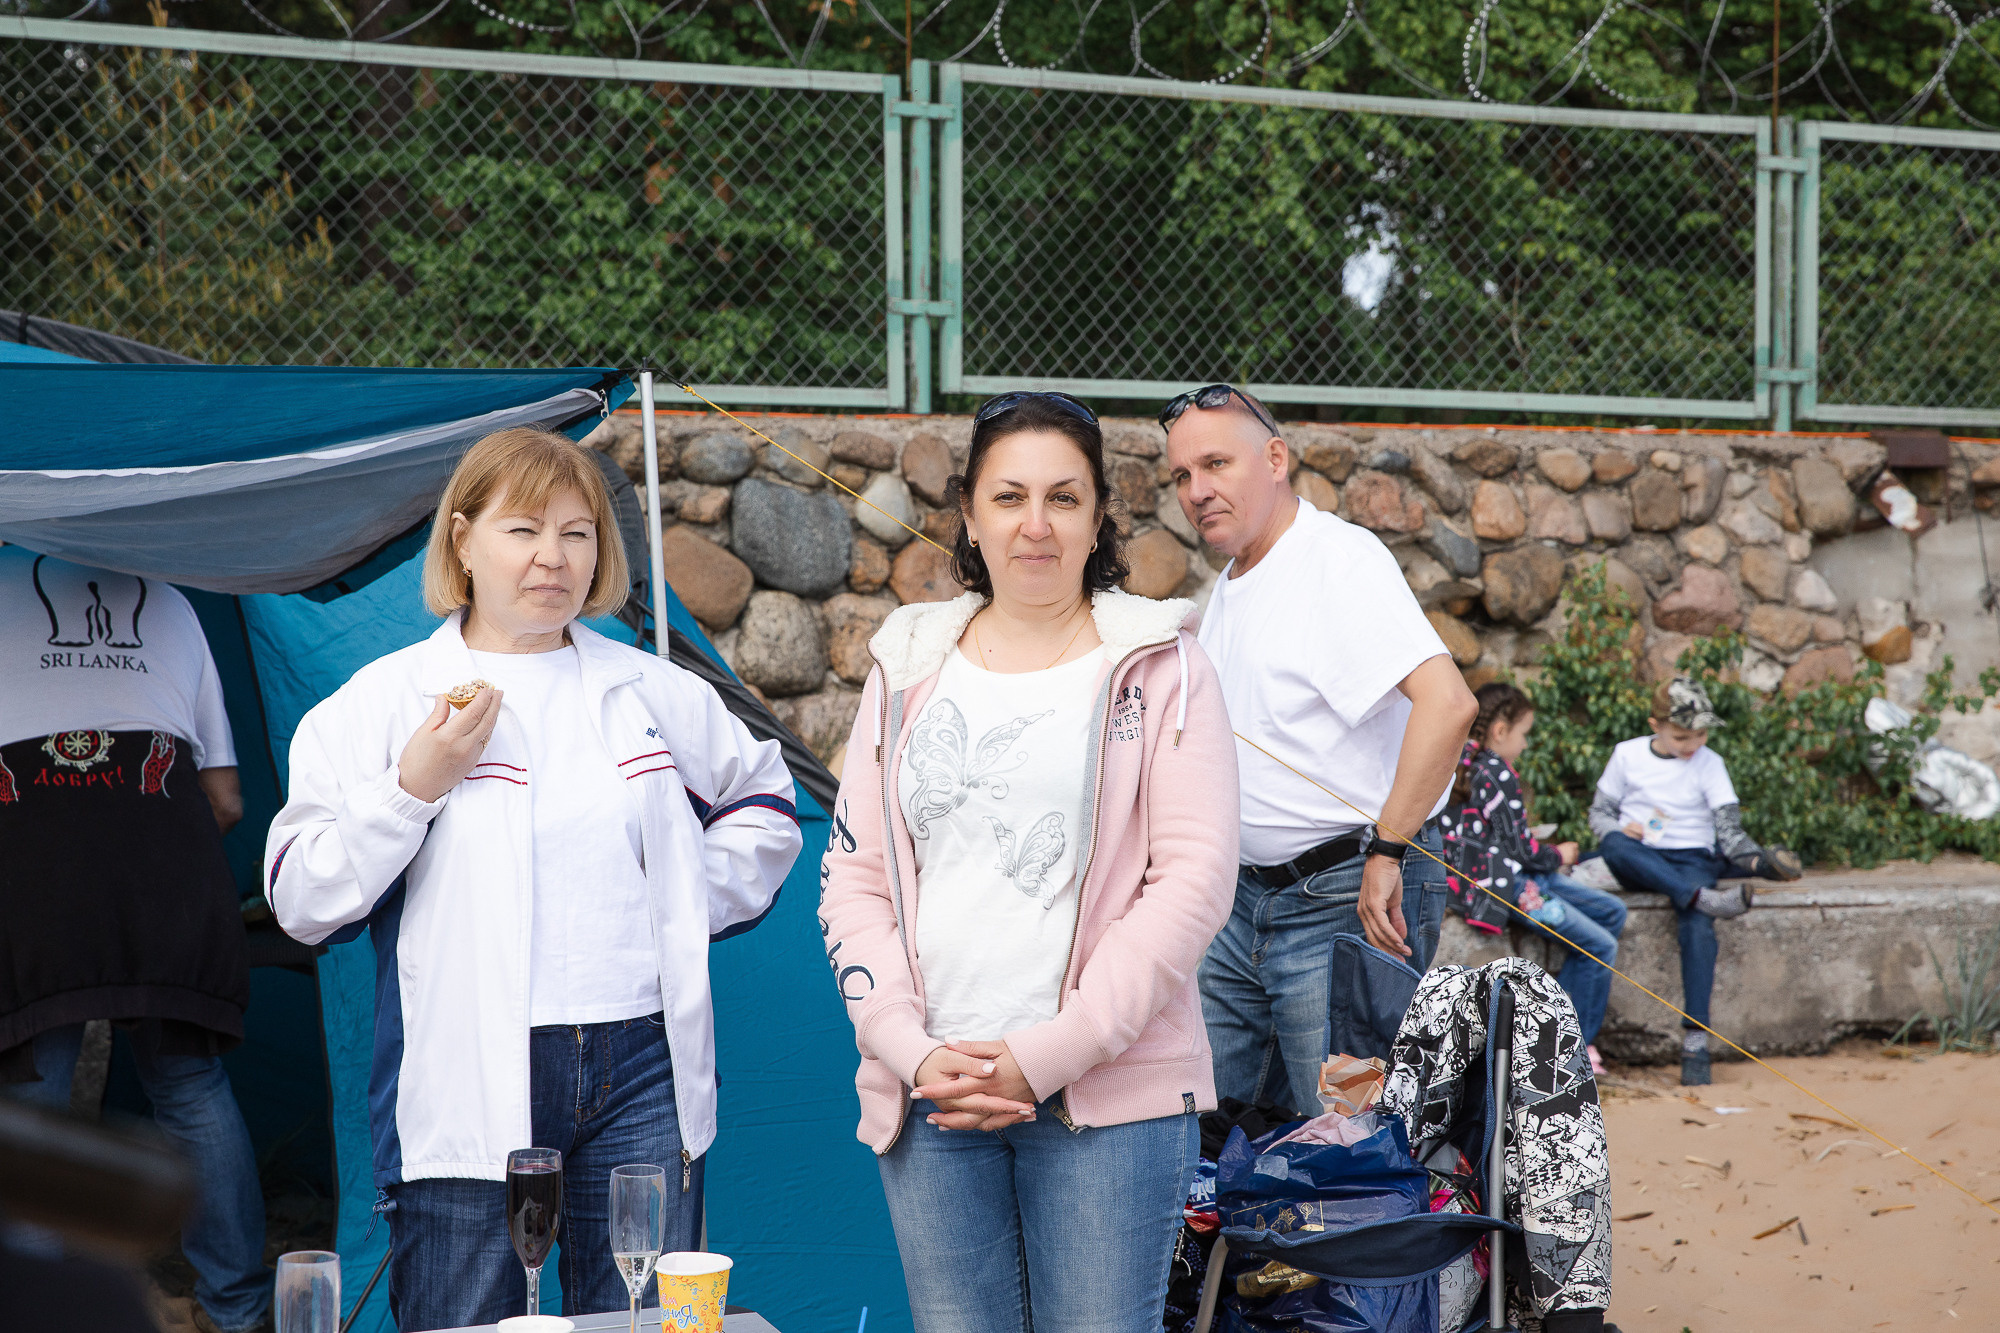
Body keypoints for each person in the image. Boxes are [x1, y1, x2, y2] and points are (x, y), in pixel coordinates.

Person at [265, 428, 801, 1330]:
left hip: (641, 1065)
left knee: (635, 1319)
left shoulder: (653, 690)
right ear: (463, 540)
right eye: (522, 530)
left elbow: (767, 804)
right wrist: (412, 787)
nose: (553, 557)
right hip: (470, 1064)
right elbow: (302, 898)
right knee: (468, 1320)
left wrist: (677, 902)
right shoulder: (381, 702)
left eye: (577, 532)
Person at [818, 392, 1239, 1333]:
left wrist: (1049, 1054)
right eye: (1009, 498)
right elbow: (854, 877)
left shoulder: (1164, 667)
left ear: (1098, 519)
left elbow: (1194, 880)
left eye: (1064, 497)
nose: (1036, 525)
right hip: (933, 1092)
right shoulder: (907, 663)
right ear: (969, 514)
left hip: (1107, 1104)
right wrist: (907, 1045)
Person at [1162, 384, 1477, 1118]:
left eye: (1215, 463)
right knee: (1220, 1125)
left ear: (1276, 457)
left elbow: (1449, 703)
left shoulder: (1335, 560)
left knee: (1346, 1136)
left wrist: (1388, 851)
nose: (1197, 490)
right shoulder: (1234, 579)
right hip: (1239, 906)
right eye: (1181, 475)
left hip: (1343, 900)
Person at [0, 544, 271, 1333]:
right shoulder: (171, 599)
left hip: (30, 858)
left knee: (27, 1101)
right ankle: (240, 1309)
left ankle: (32, 1313)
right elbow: (223, 795)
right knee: (189, 1084)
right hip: (164, 851)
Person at [1591, 677, 1801, 1085]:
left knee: (1695, 926)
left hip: (1692, 859)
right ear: (1656, 724)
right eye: (1682, 736)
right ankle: (1702, 897)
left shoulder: (1711, 763)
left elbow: (1729, 830)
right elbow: (1599, 815)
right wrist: (1621, 828)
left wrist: (1753, 855)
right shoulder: (1626, 755)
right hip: (1640, 855)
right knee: (1614, 845)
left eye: (1701, 734)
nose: (1694, 744)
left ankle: (1695, 1042)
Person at [1438, 683, 1629, 1075]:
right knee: (1601, 944)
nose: (1525, 744)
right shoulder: (1497, 773)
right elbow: (1521, 851)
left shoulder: (1463, 762)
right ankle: (1571, 1050)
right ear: (1500, 730)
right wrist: (1559, 853)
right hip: (1508, 889)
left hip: (1516, 876)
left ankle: (1566, 1027)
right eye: (1525, 733)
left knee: (1611, 911)